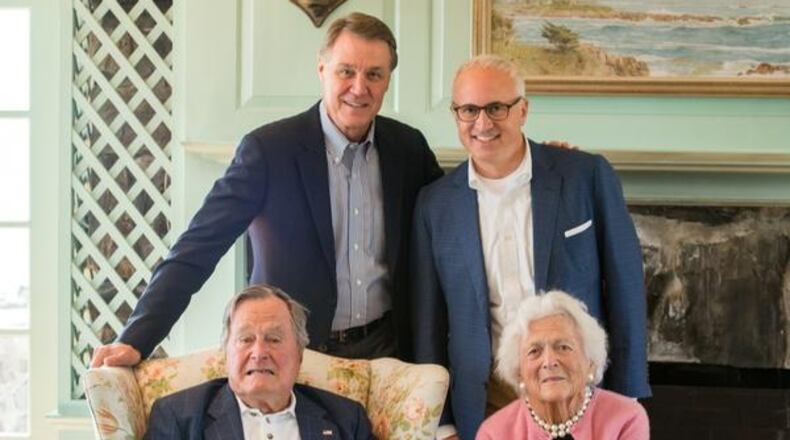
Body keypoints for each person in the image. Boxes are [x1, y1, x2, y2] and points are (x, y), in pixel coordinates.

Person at [90, 12, 443, 369]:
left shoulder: (408, 149)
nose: (359, 87)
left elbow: (449, 225)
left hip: (387, 355)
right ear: (322, 70)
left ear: (388, 81)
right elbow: (196, 249)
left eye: (374, 75)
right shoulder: (269, 151)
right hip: (293, 357)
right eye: (346, 71)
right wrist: (136, 339)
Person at [411, 54, 650, 439]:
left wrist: (628, 396)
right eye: (469, 110)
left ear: (523, 110)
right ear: (456, 115)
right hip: (486, 397)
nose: (482, 123)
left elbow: (626, 289)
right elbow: (429, 323)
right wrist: (442, 424)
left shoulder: (584, 176)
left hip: (580, 389)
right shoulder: (434, 205)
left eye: (497, 108)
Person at [144, 284, 374, 439]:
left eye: (274, 339)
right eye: (246, 339)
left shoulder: (346, 420)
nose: (259, 352)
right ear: (226, 354)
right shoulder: (178, 417)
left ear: (300, 355)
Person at [476, 291, 649, 439]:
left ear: (590, 362)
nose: (549, 361)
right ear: (519, 371)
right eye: (534, 351)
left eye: (563, 347)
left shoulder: (626, 419)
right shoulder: (494, 433)